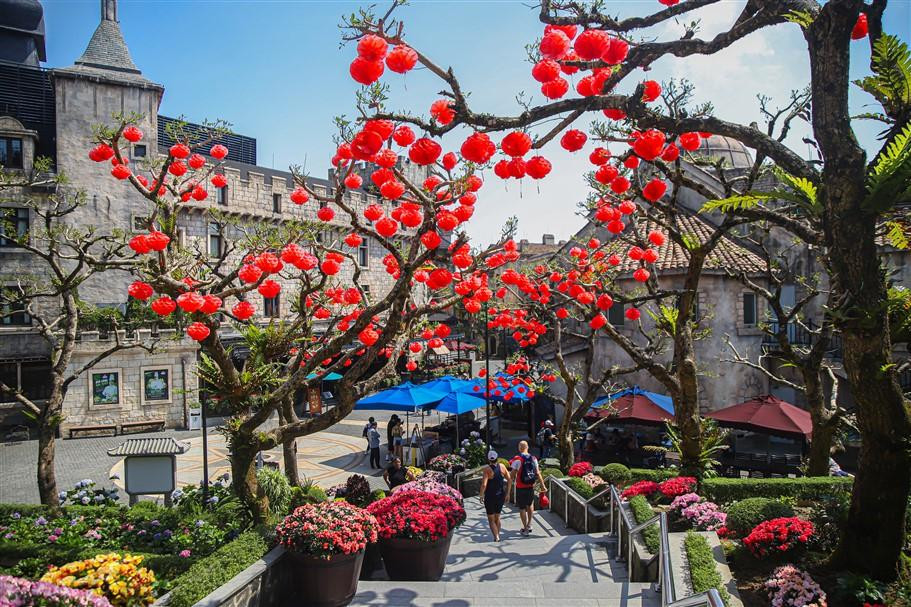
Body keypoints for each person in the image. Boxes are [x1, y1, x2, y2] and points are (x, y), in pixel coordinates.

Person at [509, 440, 545, 536]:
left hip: (520, 487)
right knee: (530, 504)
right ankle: (529, 524)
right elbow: (538, 473)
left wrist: (507, 491)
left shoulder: (517, 460)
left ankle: (525, 528)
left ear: (519, 448)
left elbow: (511, 477)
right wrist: (543, 486)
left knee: (522, 508)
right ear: (527, 447)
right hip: (530, 486)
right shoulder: (534, 459)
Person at [479, 450, 511, 541]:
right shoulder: (502, 467)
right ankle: (498, 534)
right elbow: (509, 480)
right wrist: (508, 493)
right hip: (500, 495)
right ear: (497, 458)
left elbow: (484, 485)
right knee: (497, 517)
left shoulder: (487, 470)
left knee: (491, 519)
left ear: (489, 460)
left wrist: (481, 495)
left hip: (490, 496)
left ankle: (496, 537)